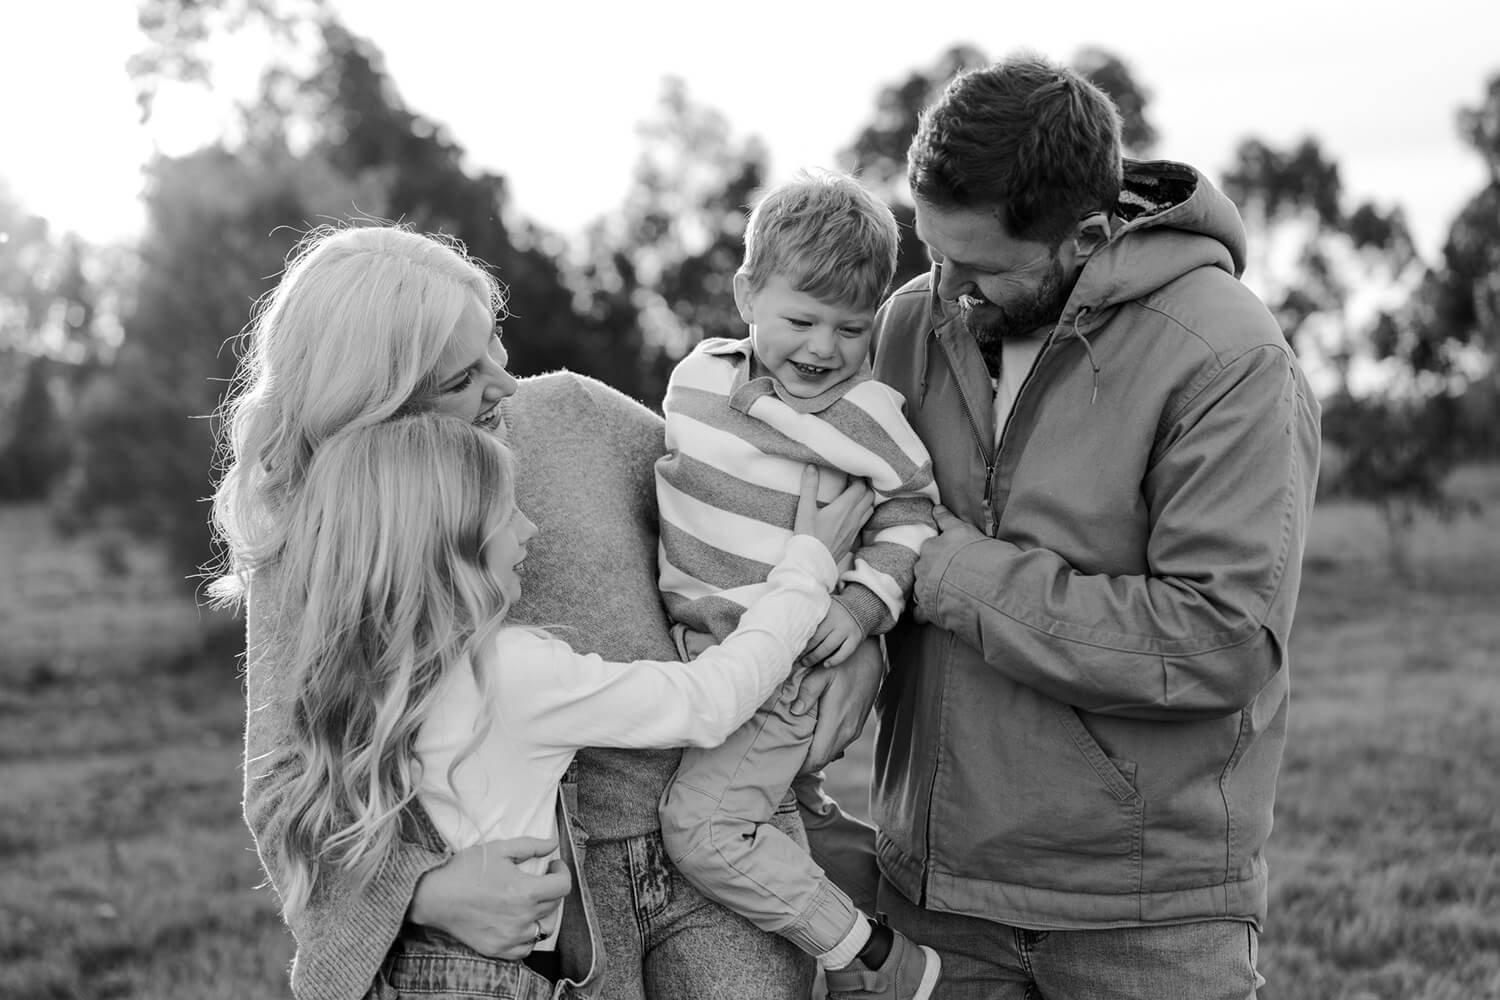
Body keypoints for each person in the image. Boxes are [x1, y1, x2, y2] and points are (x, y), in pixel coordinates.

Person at [214, 224, 878, 1000]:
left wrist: (864, 630)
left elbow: (772, 517)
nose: (503, 383)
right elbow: (285, 785)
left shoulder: (573, 416)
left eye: (492, 344)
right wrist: (425, 891)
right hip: (544, 912)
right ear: (378, 403)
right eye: (461, 377)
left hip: (715, 841)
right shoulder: (324, 535)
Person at [856, 53, 1323, 999]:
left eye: (980, 267)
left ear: (1085, 235)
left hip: (1146, 918)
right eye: (931, 251)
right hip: (933, 895)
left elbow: (1216, 641)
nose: (944, 290)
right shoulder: (911, 322)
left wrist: (948, 570)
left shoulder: (1227, 355)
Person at [654, 170, 941, 1000]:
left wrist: (860, 608)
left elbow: (915, 515)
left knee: (703, 831)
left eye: (852, 328)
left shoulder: (866, 417)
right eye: (801, 320)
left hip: (784, 669)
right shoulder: (697, 378)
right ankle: (861, 914)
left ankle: (877, 959)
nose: (822, 349)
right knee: (774, 821)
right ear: (748, 295)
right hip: (703, 653)